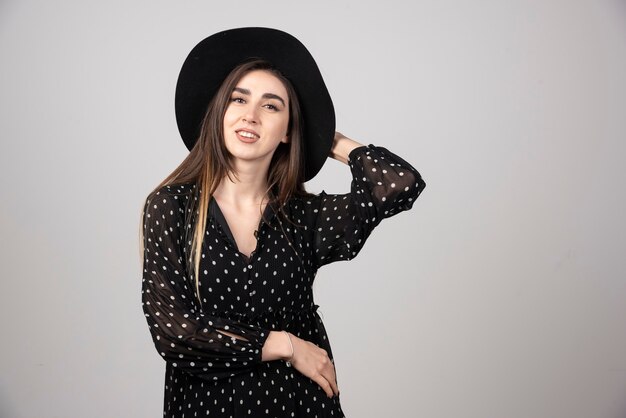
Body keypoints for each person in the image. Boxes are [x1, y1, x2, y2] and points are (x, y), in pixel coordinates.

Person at [140, 27, 426, 417]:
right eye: (238, 99)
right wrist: (287, 345)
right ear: (219, 111)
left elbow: (399, 184)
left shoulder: (303, 219)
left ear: (288, 131)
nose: (251, 115)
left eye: (271, 106)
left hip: (298, 405)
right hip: (205, 407)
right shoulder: (172, 207)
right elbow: (175, 332)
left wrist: (331, 140)